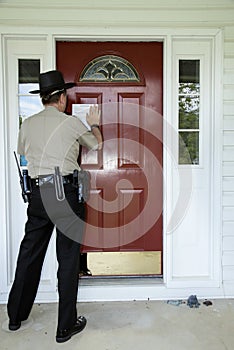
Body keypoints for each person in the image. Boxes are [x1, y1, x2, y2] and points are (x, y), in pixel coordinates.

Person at [7, 70, 102, 343]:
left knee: (29, 254)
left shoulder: (28, 124)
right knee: (68, 258)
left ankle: (15, 316)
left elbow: (23, 152)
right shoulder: (71, 122)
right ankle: (65, 326)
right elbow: (96, 144)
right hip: (64, 193)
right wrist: (94, 123)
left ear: (42, 100)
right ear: (61, 98)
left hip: (38, 193)